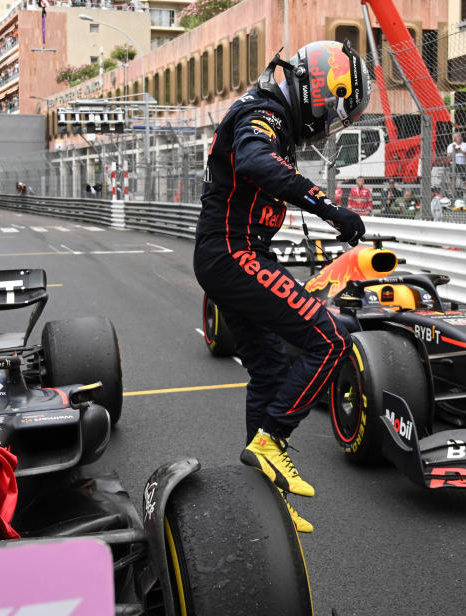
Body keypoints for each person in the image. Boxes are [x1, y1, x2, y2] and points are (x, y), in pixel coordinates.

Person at [193, 40, 370, 534]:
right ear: (314, 87)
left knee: (270, 369)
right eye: (331, 107)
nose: (327, 121)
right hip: (233, 254)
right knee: (331, 338)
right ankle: (273, 439)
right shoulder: (261, 112)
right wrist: (328, 206)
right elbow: (253, 162)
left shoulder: (269, 116)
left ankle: (264, 501)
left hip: (237, 254)